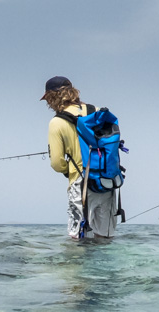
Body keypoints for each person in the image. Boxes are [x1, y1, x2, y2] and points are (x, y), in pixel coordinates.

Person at [42, 76, 118, 239]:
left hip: (80, 182)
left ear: (52, 97)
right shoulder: (98, 112)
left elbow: (56, 163)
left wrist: (68, 170)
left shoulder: (56, 123)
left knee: (77, 240)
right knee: (106, 239)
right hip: (106, 181)